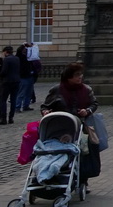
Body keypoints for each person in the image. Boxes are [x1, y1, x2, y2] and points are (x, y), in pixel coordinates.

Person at [41, 62, 101, 192]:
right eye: (76, 75)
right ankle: (56, 176)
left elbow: (94, 104)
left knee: (83, 152)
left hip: (80, 126)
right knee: (59, 152)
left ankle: (82, 179)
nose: (80, 77)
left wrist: (88, 111)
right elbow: (45, 106)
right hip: (61, 127)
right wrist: (46, 112)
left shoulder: (86, 90)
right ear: (68, 77)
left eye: (80, 74)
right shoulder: (57, 90)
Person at [0, 45, 20, 124]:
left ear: (5, 52)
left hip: (7, 81)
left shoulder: (7, 59)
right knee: (13, 100)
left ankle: (3, 118)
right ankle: (11, 118)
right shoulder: (17, 59)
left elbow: (4, 71)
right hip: (16, 81)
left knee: (3, 100)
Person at [15, 43, 36, 112]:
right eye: (24, 50)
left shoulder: (29, 57)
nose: (26, 51)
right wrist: (24, 45)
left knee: (28, 93)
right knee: (21, 93)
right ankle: (17, 107)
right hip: (23, 77)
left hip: (29, 76)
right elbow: (18, 52)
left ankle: (26, 106)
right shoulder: (20, 57)